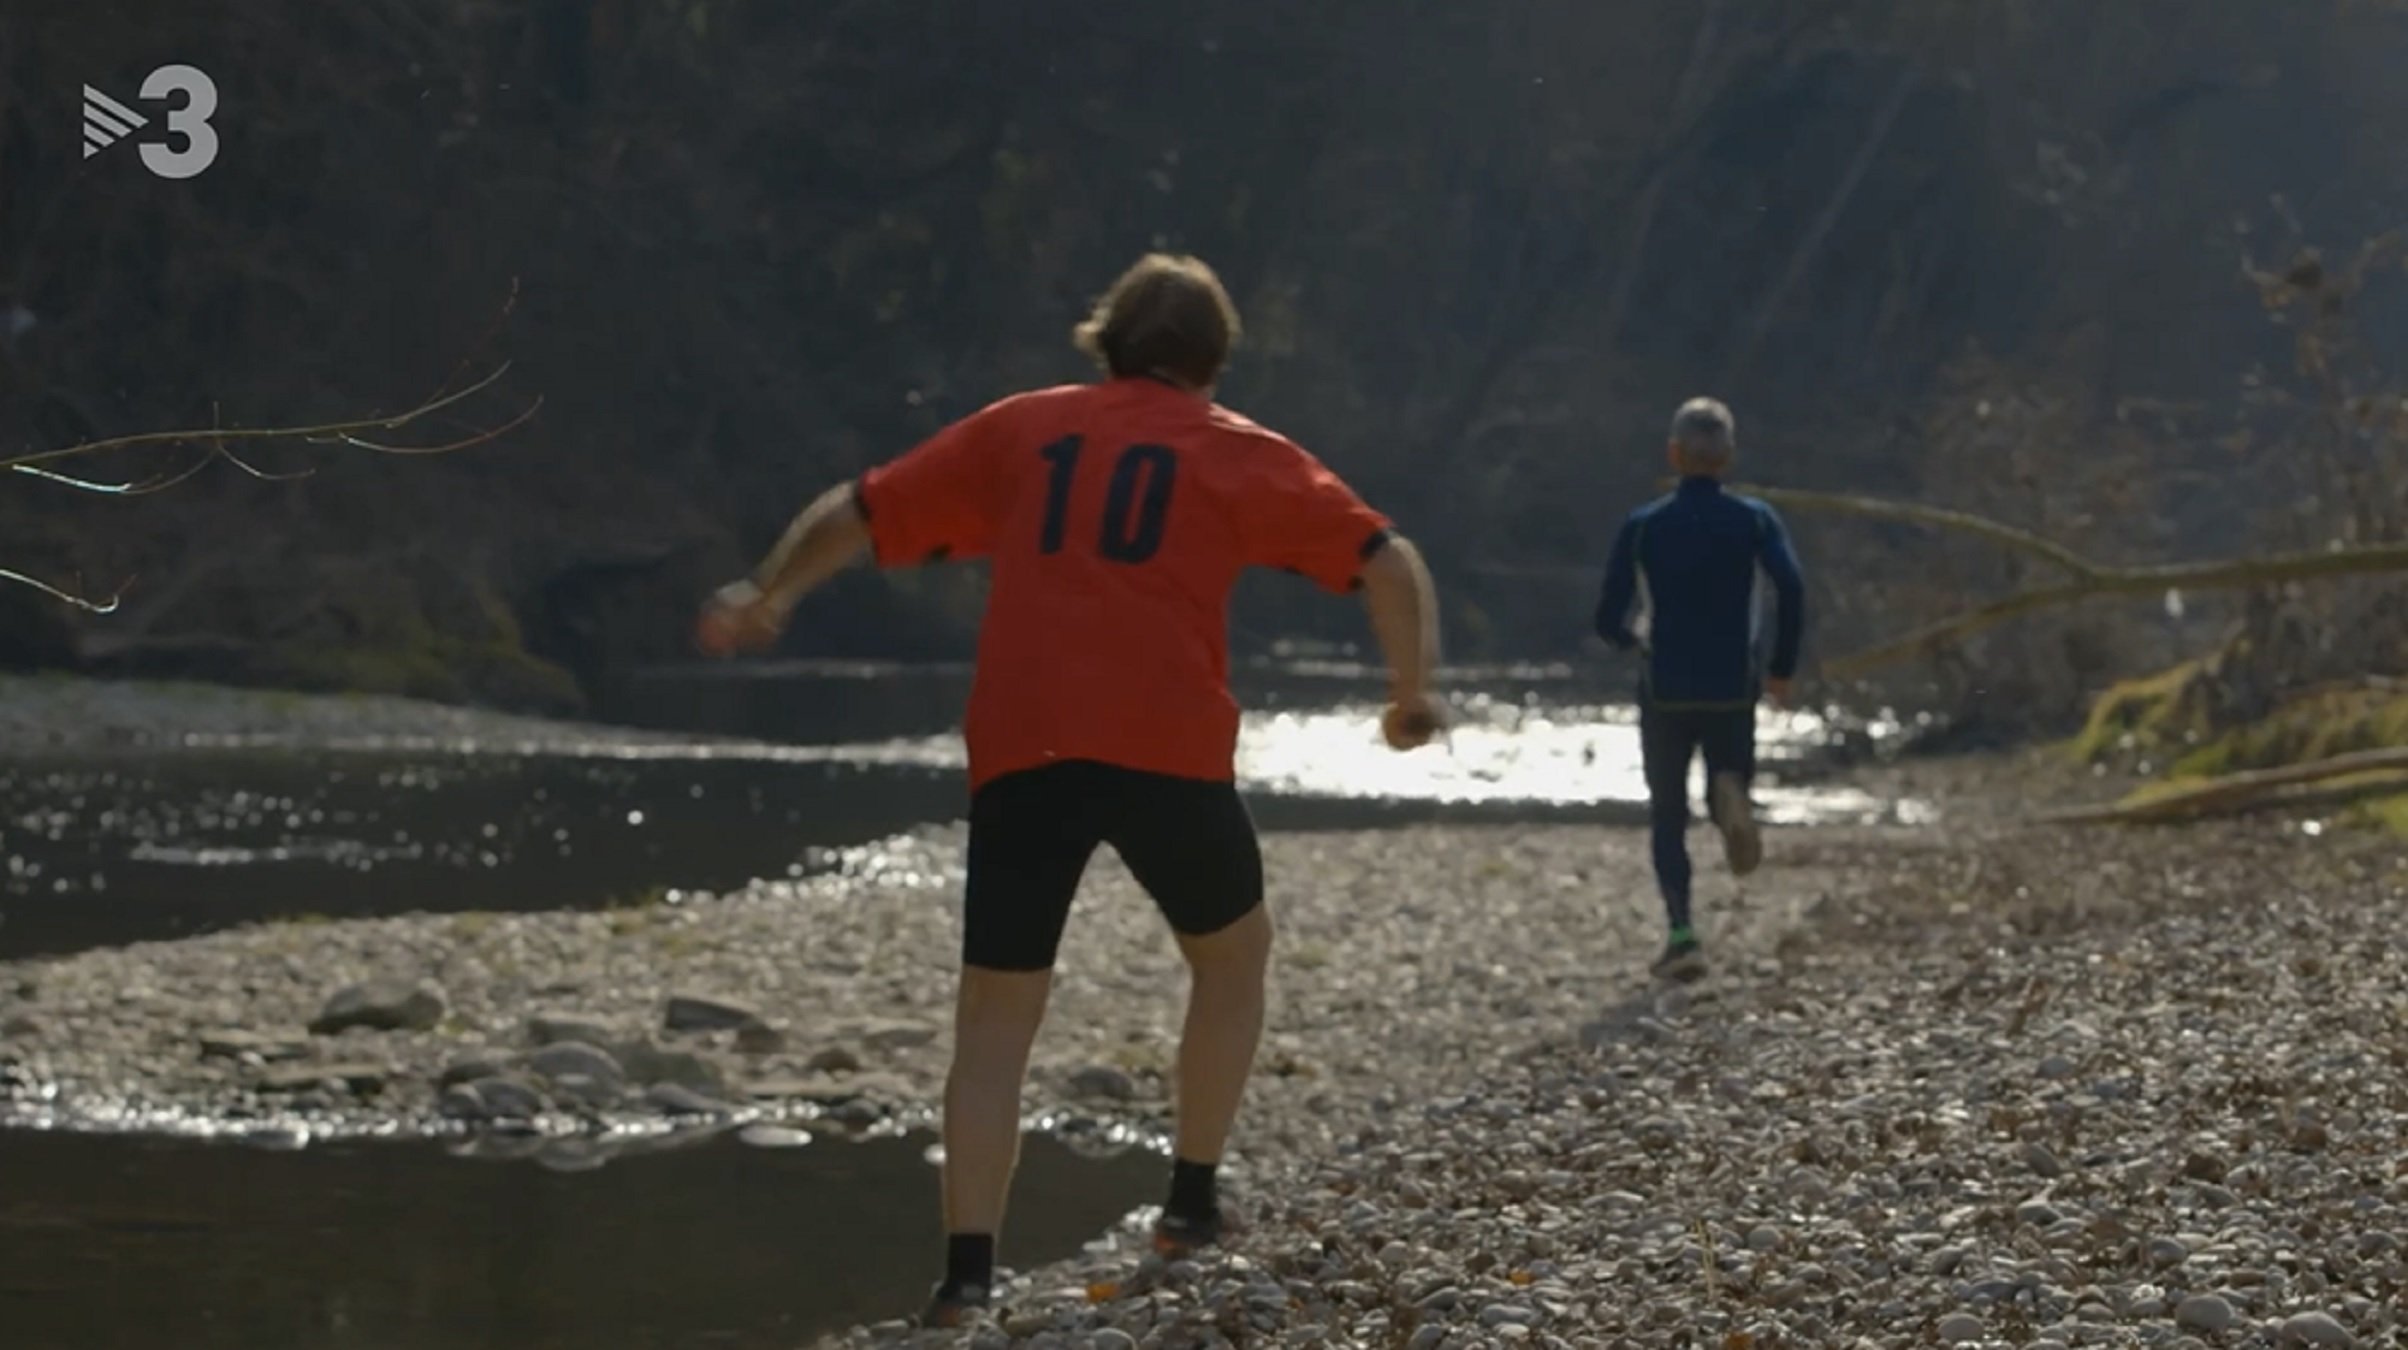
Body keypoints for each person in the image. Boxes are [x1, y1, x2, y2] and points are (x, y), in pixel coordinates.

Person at [694, 253, 1444, 1329]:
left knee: (996, 1021)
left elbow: (857, 508)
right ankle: (1188, 1202)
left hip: (1024, 748)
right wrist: (1406, 693)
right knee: (1231, 955)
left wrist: (767, 595)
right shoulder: (1237, 451)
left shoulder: (1022, 429)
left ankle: (964, 1280)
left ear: (1108, 344)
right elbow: (1387, 558)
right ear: (1213, 362)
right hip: (1168, 750)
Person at [1592, 396, 1805, 983]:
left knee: (1666, 813)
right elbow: (1791, 588)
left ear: (1674, 454)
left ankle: (1683, 933)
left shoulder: (1643, 527)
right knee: (1727, 773)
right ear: (1728, 456)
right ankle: (1729, 796)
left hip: (1666, 684)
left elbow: (1607, 614)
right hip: (1734, 682)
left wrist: (1628, 640)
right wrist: (1781, 666)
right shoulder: (1757, 521)